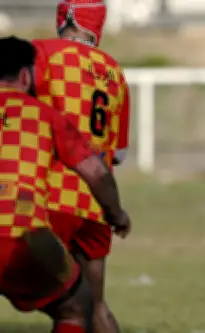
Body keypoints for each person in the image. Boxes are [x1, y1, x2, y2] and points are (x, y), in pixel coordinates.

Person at [0, 36, 130, 333]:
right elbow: (97, 172)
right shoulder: (44, 115)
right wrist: (117, 215)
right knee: (78, 305)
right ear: (25, 76)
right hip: (22, 230)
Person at [32, 0, 132, 332]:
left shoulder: (43, 53)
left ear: (65, 17)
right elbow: (119, 153)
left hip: (49, 196)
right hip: (96, 204)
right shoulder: (114, 71)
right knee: (95, 306)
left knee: (66, 307)